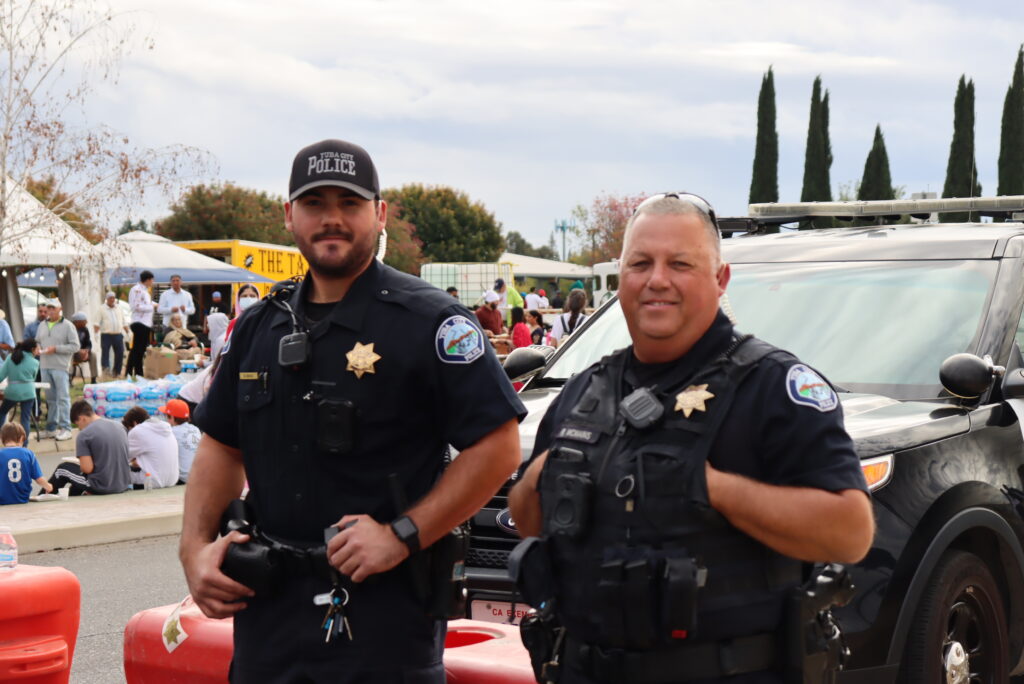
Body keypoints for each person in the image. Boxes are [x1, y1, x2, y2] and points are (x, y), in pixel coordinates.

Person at [180, 138, 525, 683]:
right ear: (290, 216)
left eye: (350, 203)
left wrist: (402, 534)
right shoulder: (257, 327)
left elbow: (499, 445)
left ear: (379, 214)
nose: (332, 219)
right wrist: (194, 550)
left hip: (382, 625)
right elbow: (222, 446)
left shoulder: (429, 323)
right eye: (316, 204)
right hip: (266, 617)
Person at [508, 192, 874, 684]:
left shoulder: (774, 387)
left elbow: (851, 533)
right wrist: (550, 472)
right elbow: (530, 521)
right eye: (641, 263)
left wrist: (709, 488)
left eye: (680, 263)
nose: (657, 279)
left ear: (720, 279)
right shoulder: (586, 391)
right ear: (621, 278)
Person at [48, 400, 131, 495]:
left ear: (82, 418)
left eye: (78, 424)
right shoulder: (119, 426)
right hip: (123, 483)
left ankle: (42, 498)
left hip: (102, 485)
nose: (79, 428)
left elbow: (87, 469)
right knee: (77, 480)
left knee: (62, 469)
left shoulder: (85, 434)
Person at [36, 299, 79, 440]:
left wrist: (56, 349)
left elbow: (75, 346)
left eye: (53, 307)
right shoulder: (42, 325)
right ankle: (51, 428)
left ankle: (66, 428)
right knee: (50, 399)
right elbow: (38, 340)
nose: (50, 310)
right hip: (44, 366)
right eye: (48, 307)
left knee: (63, 398)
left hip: (60, 366)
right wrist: (36, 347)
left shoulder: (68, 326)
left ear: (60, 309)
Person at [123, 406, 179, 489]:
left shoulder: (137, 430)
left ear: (135, 423)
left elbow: (124, 457)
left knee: (118, 471)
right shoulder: (167, 428)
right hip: (172, 480)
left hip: (152, 482)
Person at [0, 339, 40, 446]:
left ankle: (3, 437)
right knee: (25, 419)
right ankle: (24, 445)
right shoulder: (35, 362)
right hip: (29, 392)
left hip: (12, 391)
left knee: (2, 412)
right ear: (32, 349)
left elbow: (1, 375)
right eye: (37, 348)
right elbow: (33, 377)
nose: (38, 350)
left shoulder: (10, 358)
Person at [0, 423, 51, 504]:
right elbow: (39, 479)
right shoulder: (28, 454)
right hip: (22, 499)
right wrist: (48, 486)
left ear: (2, 439)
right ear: (21, 438)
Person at [158, 399, 200, 485]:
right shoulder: (195, 429)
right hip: (199, 476)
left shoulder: (171, 432)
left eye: (167, 416)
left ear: (172, 418)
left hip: (183, 478)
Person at [128, 270, 157, 378]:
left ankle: (130, 371)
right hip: (139, 322)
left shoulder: (144, 290)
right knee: (138, 350)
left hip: (145, 323)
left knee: (137, 349)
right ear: (148, 279)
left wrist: (154, 304)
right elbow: (136, 306)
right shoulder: (137, 290)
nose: (152, 282)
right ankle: (138, 373)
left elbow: (145, 303)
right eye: (152, 280)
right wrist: (151, 307)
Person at [95, 291, 129, 378]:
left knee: (120, 353)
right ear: (107, 299)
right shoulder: (102, 308)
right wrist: (96, 334)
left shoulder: (119, 308)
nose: (112, 299)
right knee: (105, 353)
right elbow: (97, 322)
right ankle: (106, 371)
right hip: (106, 334)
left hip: (118, 334)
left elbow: (123, 320)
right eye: (110, 298)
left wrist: (128, 331)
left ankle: (117, 372)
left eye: (113, 298)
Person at [70, 312, 97, 382]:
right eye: (84, 321)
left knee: (93, 355)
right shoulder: (69, 329)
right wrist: (78, 350)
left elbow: (88, 342)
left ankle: (93, 379)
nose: (86, 322)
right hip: (72, 352)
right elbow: (68, 344)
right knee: (70, 355)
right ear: (77, 322)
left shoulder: (85, 329)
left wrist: (87, 350)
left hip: (82, 353)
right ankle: (69, 379)